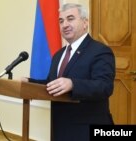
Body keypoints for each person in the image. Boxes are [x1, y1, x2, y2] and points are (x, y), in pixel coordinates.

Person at [22, 3, 115, 141]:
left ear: (85, 23)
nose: (64, 24)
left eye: (70, 18)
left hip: (87, 128)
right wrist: (29, 82)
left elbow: (105, 86)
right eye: (61, 21)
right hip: (60, 127)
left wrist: (73, 84)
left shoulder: (100, 51)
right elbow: (52, 84)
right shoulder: (58, 55)